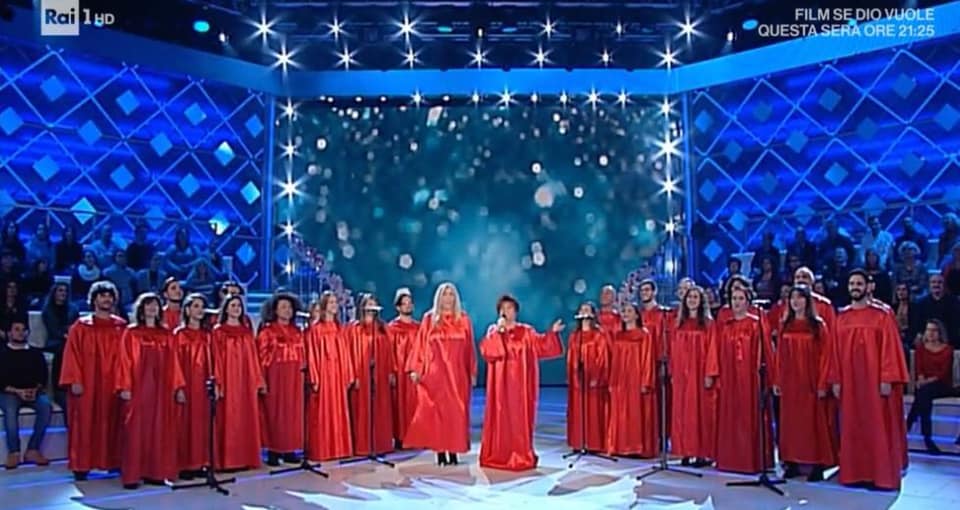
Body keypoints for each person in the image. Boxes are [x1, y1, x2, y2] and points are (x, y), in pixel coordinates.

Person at [827, 269, 909, 490]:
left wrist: (887, 377)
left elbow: (890, 348)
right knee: (853, 426)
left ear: (868, 286)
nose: (855, 287)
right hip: (851, 382)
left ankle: (879, 476)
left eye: (859, 283)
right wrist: (835, 379)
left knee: (878, 427)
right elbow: (834, 351)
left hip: (875, 382)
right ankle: (855, 474)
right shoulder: (842, 317)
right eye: (852, 283)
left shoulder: (882, 315)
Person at [478, 295, 563, 470]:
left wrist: (552, 334)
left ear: (516, 311)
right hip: (500, 385)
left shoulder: (526, 332)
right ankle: (499, 454)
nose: (506, 311)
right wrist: (498, 332)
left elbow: (542, 346)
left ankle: (519, 455)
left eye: (509, 308)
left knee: (519, 419)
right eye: (502, 308)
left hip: (521, 386)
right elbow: (488, 352)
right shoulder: (493, 331)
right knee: (500, 417)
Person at [116, 293, 186, 489]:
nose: (152, 308)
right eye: (148, 305)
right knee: (136, 429)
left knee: (159, 428)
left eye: (155, 305)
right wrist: (124, 386)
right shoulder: (131, 332)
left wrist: (178, 387)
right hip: (138, 387)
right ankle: (133, 475)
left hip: (162, 389)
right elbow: (124, 361)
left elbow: (174, 362)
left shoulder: (166, 334)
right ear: (141, 309)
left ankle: (155, 472)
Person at [59, 280, 127, 480]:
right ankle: (82, 465)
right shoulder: (81, 327)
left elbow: (127, 358)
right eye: (102, 296)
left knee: (114, 421)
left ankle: (114, 461)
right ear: (94, 299)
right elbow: (72, 355)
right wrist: (74, 380)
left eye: (110, 296)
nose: (106, 299)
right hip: (87, 383)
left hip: (113, 383)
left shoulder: (121, 327)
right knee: (85, 422)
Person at [406, 282, 477, 466]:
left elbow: (470, 348)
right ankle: (440, 451)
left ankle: (454, 450)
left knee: (456, 412)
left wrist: (472, 371)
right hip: (435, 374)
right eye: (444, 294)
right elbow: (421, 345)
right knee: (437, 412)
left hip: (457, 375)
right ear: (439, 297)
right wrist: (416, 369)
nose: (448, 298)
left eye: (451, 294)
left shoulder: (464, 319)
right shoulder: (429, 319)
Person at [774, 285, 837, 482]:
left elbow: (826, 356)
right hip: (790, 382)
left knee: (813, 423)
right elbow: (779, 355)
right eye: (792, 298)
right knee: (791, 423)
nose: (795, 301)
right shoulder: (785, 324)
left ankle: (817, 464)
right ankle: (791, 461)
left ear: (807, 301)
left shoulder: (818, 326)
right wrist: (777, 380)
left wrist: (823, 382)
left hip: (811, 381)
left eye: (800, 298)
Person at [714, 287, 775, 474]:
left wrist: (771, 379)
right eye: (734, 298)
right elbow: (715, 351)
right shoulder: (725, 326)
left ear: (748, 302)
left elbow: (767, 352)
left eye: (741, 298)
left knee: (749, 417)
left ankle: (751, 461)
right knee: (730, 416)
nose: (737, 302)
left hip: (750, 378)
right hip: (729, 377)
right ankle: (730, 460)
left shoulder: (756, 324)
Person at [212, 294, 264, 470]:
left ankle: (245, 458)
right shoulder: (219, 331)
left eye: (239, 306)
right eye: (233, 305)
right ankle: (228, 461)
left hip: (245, 381)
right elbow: (216, 359)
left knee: (246, 417)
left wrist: (257, 381)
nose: (236, 309)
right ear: (226, 308)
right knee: (228, 417)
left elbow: (253, 358)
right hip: (228, 379)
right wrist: (219, 382)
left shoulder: (246, 332)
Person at [669, 285, 718, 467]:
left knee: (700, 412)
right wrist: (673, 371)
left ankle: (701, 453)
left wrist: (710, 373)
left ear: (701, 301)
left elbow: (712, 349)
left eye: (696, 297)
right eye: (690, 297)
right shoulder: (678, 324)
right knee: (682, 411)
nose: (692, 300)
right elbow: (673, 350)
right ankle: (685, 451)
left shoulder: (708, 324)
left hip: (700, 372)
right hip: (682, 373)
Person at [305, 291, 354, 461]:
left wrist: (348, 374)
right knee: (323, 412)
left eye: (335, 302)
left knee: (339, 410)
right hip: (324, 375)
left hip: (338, 374)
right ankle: (323, 450)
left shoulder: (340, 329)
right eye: (331, 302)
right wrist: (314, 377)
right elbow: (312, 354)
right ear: (324, 305)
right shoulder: (316, 329)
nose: (334, 305)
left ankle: (340, 448)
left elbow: (346, 354)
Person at [257, 293, 305, 466]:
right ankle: (273, 450)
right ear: (275, 310)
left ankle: (289, 449)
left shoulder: (297, 331)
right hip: (275, 377)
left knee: (292, 413)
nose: (287, 310)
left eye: (290, 307)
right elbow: (261, 357)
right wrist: (261, 380)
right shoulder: (267, 332)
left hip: (294, 376)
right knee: (275, 413)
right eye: (283, 307)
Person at [345, 293, 395, 457]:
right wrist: (352, 375)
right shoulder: (354, 328)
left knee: (380, 407)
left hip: (380, 373)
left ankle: (380, 444)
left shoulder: (382, 327)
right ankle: (363, 445)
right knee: (362, 409)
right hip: (361, 374)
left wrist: (391, 371)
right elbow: (348, 353)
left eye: (374, 303)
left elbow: (390, 351)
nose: (371, 307)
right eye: (368, 303)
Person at [606, 302, 657, 457]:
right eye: (624, 311)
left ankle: (637, 447)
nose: (626, 314)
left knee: (636, 413)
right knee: (621, 413)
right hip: (620, 379)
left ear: (636, 315)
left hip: (636, 378)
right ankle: (621, 446)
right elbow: (614, 360)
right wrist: (612, 381)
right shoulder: (618, 335)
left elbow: (648, 359)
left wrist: (646, 381)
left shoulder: (643, 334)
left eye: (629, 311)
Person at [1, 316, 52, 469]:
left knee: (45, 406)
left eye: (24, 330)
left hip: (32, 392)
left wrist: (35, 389)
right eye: (17, 330)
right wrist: (17, 391)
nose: (21, 333)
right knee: (10, 410)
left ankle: (33, 449)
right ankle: (14, 452)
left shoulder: (35, 353)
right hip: (9, 392)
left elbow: (42, 376)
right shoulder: (2, 353)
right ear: (9, 333)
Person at [175, 293, 211, 479]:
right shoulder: (179, 335)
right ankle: (184, 465)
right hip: (187, 384)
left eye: (202, 306)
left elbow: (214, 362)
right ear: (187, 310)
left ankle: (200, 462)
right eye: (196, 306)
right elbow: (174, 363)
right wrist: (178, 386)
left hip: (203, 386)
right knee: (185, 424)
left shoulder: (207, 335)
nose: (200, 310)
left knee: (202, 425)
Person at [566, 301, 610, 453]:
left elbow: (602, 357)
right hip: (578, 380)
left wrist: (597, 377)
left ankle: (593, 443)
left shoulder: (599, 334)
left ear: (593, 314)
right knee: (578, 410)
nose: (584, 312)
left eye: (587, 310)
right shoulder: (575, 336)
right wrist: (572, 376)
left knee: (593, 410)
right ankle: (579, 442)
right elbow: (570, 358)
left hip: (593, 380)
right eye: (582, 309)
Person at [906, 319, 955, 454]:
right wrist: (921, 379)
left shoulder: (947, 350)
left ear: (940, 333)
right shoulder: (920, 349)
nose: (931, 333)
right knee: (924, 393)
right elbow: (919, 369)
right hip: (925, 387)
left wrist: (926, 381)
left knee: (923, 392)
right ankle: (927, 438)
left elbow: (943, 373)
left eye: (934, 330)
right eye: (928, 330)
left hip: (942, 385)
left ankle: (910, 422)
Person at [387, 288, 419, 449]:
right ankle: (401, 437)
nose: (407, 306)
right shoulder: (392, 328)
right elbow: (389, 352)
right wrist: (391, 371)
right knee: (399, 404)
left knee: (416, 403)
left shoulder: (419, 328)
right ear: (398, 307)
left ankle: (418, 436)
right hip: (399, 372)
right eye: (404, 303)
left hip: (416, 372)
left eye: (409, 303)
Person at [41, 282, 79, 416]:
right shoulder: (48, 310)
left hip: (72, 339)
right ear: (54, 293)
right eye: (60, 290)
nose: (63, 293)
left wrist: (71, 335)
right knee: (63, 348)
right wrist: (66, 334)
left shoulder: (73, 309)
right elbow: (54, 330)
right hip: (55, 342)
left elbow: (77, 326)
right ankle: (60, 388)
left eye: (65, 291)